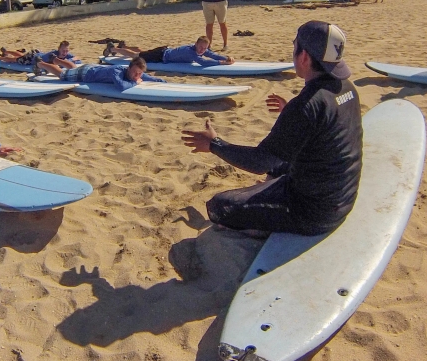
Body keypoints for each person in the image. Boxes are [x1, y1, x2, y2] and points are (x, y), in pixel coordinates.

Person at [182, 21, 362, 235]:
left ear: (304, 56)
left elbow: (259, 161)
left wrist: (213, 144)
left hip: (315, 213)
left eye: (294, 47)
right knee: (277, 167)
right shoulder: (346, 87)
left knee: (220, 206)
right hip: (343, 195)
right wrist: (291, 115)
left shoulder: (306, 107)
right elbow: (325, 126)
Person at [38, 57, 166, 90]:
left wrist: (160, 81)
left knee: (72, 68)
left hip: (93, 68)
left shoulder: (135, 72)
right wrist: (135, 82)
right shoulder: (116, 71)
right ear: (129, 67)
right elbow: (121, 86)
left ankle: (55, 59)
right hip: (87, 74)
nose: (138, 76)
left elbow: (145, 76)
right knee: (63, 75)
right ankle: (40, 64)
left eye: (139, 73)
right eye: (135, 73)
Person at [104, 36, 235, 66]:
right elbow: (203, 63)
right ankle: (112, 48)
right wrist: (223, 63)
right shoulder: (191, 51)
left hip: (163, 50)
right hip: (161, 56)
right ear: (196, 44)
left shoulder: (200, 49)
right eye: (200, 47)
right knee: (135, 56)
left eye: (204, 48)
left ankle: (121, 46)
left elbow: (211, 55)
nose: (202, 50)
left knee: (141, 51)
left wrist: (225, 57)